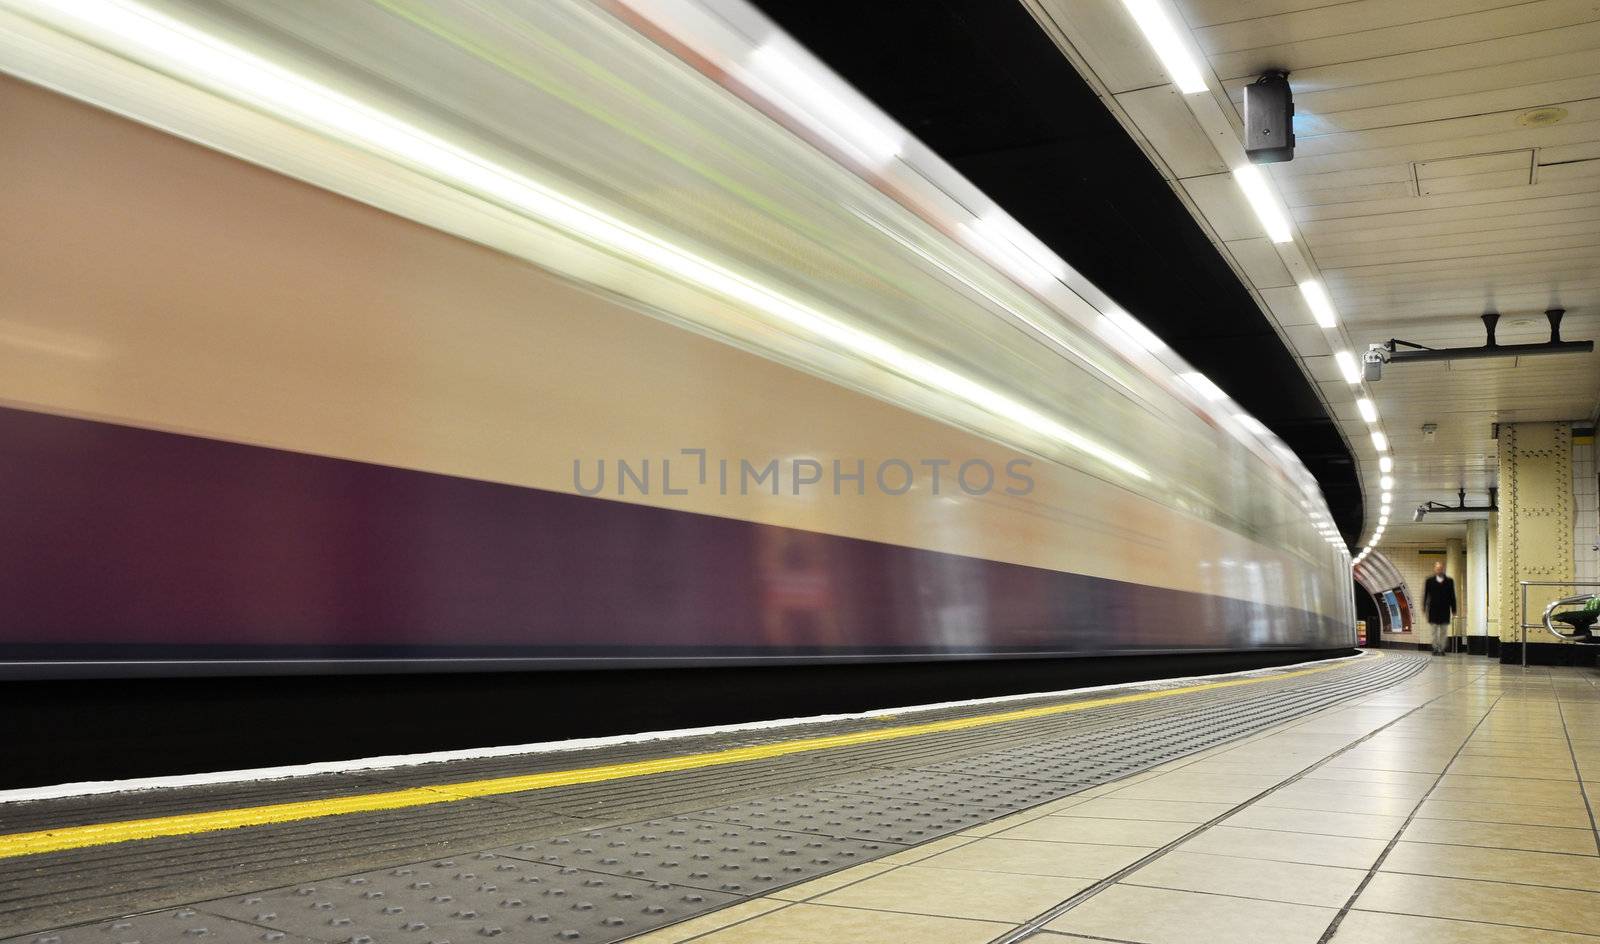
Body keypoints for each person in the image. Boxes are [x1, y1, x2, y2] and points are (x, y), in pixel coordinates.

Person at [1421, 561, 1457, 655]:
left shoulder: (1449, 581)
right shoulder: (1429, 581)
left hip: (1445, 609)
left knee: (1443, 631)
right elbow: (1426, 595)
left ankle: (1441, 649)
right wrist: (1424, 606)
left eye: (1440, 568)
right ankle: (1435, 648)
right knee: (1434, 631)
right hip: (1433, 610)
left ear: (1443, 569)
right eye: (1437, 569)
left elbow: (1452, 595)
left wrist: (1454, 609)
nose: (1439, 570)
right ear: (1435, 569)